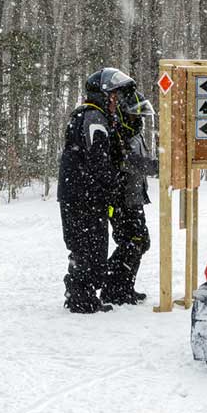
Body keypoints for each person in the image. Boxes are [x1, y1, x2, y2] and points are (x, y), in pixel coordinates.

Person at [57, 67, 153, 312]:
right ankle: (80, 297)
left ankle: (90, 293)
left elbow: (107, 161)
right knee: (87, 247)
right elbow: (98, 160)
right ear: (103, 94)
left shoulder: (99, 118)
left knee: (94, 248)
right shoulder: (91, 117)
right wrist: (112, 182)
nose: (115, 102)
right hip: (81, 196)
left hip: (90, 196)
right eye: (113, 96)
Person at [104, 88, 156, 305]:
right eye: (136, 115)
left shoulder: (135, 133)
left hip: (134, 197)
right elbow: (129, 162)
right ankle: (113, 287)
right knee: (131, 242)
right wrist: (157, 167)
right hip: (120, 199)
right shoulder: (117, 133)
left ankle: (124, 286)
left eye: (141, 116)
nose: (139, 120)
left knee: (140, 241)